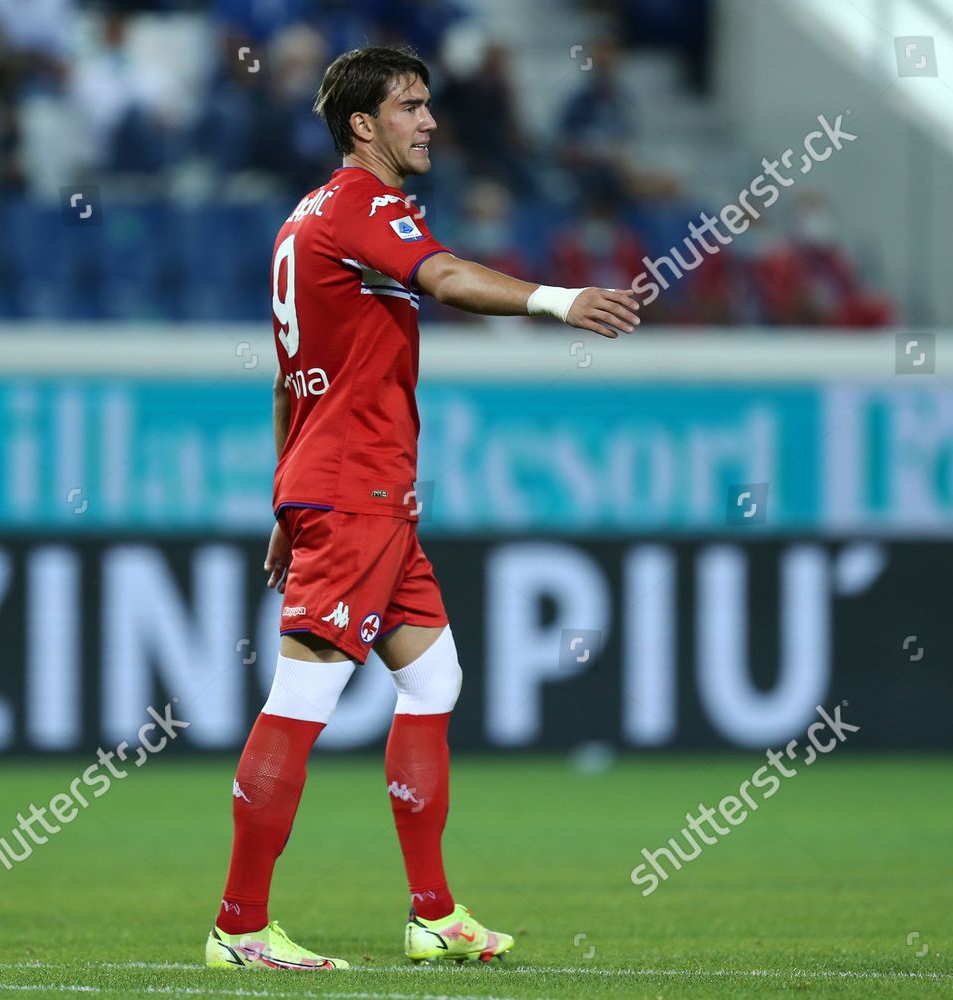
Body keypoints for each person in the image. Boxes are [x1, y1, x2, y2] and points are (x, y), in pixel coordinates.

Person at [204, 44, 639, 971]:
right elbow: (443, 280)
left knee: (433, 680)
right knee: (303, 696)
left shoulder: (302, 218)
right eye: (409, 106)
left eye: (428, 104)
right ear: (363, 125)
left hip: (357, 492)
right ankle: (239, 929)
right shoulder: (364, 204)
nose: (429, 120)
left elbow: (290, 381)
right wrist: (560, 302)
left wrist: (286, 498)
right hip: (356, 491)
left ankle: (434, 915)